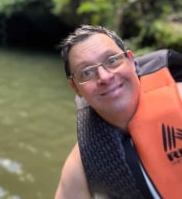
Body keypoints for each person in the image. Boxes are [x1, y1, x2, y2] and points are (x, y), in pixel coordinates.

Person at [54, 25, 182, 199]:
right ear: (75, 87)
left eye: (112, 60)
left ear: (130, 60)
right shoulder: (83, 164)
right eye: (87, 72)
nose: (105, 77)